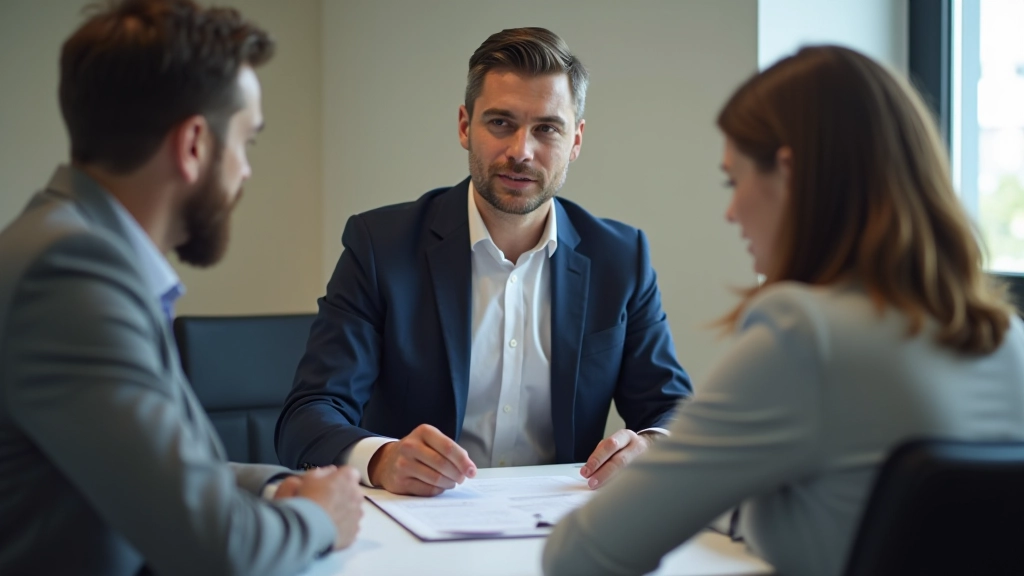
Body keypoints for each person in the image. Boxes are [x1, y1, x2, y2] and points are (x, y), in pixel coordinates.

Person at [542, 45, 1024, 576]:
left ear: (789, 174)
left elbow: (581, 555)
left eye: (734, 180)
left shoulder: (804, 334)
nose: (731, 212)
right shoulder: (1008, 341)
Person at [0, 1, 363, 574]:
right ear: (194, 144)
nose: (245, 170)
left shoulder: (64, 243)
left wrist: (274, 487)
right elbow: (218, 550)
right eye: (246, 142)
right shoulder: (71, 274)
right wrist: (321, 517)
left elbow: (140, 470)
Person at [276, 27, 692, 496]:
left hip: (561, 521)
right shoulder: (380, 247)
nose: (521, 152)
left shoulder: (620, 257)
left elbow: (673, 409)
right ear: (464, 126)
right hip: (416, 519)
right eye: (500, 123)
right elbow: (306, 417)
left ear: (575, 140)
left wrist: (651, 446)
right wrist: (382, 458)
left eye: (546, 129)